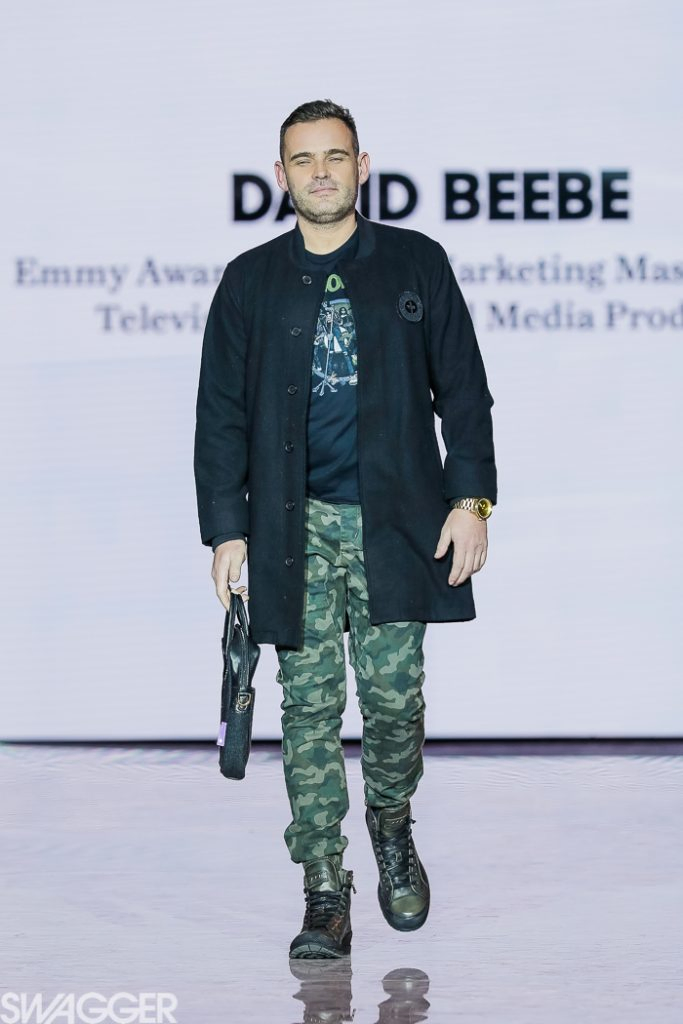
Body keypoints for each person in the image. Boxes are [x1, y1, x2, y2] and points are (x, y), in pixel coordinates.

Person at [193, 100, 497, 959]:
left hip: (397, 524)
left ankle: (391, 823)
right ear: (280, 175)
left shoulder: (415, 261)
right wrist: (226, 531)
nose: (320, 172)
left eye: (335, 157)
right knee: (308, 708)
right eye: (303, 159)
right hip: (291, 528)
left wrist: (471, 502)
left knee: (395, 700)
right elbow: (219, 414)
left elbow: (463, 389)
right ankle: (324, 888)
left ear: (362, 167)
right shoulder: (248, 280)